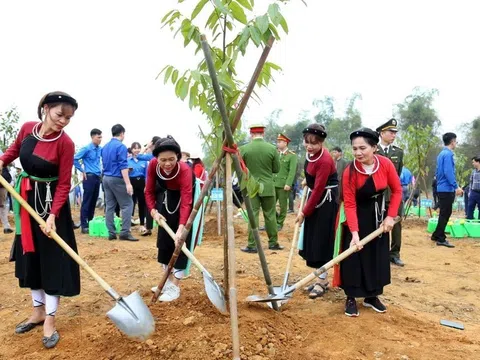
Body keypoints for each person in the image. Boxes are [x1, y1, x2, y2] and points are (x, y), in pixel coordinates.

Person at [0, 91, 81, 348]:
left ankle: (50, 319)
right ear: (46, 108)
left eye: (69, 117)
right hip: (26, 201)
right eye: (60, 114)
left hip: (51, 207)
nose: (64, 120)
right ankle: (37, 311)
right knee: (31, 257)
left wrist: (53, 216)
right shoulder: (27, 129)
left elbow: (65, 183)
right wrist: (1, 161)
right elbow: (13, 152)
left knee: (53, 260)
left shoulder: (65, 143)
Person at [340, 127, 402, 317]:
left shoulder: (385, 164)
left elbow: (397, 190)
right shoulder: (349, 171)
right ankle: (351, 296)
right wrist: (355, 234)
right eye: (354, 148)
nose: (358, 153)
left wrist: (390, 216)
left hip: (379, 218)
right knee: (353, 257)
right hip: (356, 217)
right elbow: (349, 204)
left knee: (377, 255)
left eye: (363, 148)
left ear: (374, 147)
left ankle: (372, 296)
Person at [145, 136, 195, 301]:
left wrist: (182, 227)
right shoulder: (153, 165)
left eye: (172, 159)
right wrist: (153, 211)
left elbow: (187, 201)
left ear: (178, 157)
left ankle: (175, 286)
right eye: (163, 160)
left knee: (180, 241)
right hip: (167, 198)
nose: (167, 163)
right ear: (156, 159)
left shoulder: (185, 171)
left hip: (185, 200)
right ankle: (166, 281)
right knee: (165, 240)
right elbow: (149, 191)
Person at [296, 124, 338, 298]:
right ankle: (319, 278)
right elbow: (312, 178)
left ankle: (322, 282)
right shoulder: (311, 155)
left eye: (314, 143)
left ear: (322, 142)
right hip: (316, 197)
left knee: (321, 241)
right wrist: (308, 181)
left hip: (326, 202)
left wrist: (303, 212)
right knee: (313, 240)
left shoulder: (325, 160)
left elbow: (320, 188)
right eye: (307, 142)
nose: (310, 146)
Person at [239, 125, 281, 253]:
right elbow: (276, 169)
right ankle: (273, 243)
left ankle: (252, 245)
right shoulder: (272, 149)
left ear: (251, 134)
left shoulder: (244, 149)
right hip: (268, 186)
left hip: (251, 186)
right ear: (263, 134)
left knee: (253, 214)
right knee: (270, 214)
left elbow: (241, 168)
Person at [376, 118, 404, 267]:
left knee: (396, 224)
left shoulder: (398, 152)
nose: (393, 135)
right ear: (382, 133)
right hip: (377, 194)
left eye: (395, 132)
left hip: (393, 195)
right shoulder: (373, 150)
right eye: (390, 132)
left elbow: (397, 175)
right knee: (377, 223)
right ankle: (379, 253)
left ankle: (394, 253)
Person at [101, 124, 137, 241]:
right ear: (122, 133)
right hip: (117, 178)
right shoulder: (121, 147)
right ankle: (125, 232)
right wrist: (128, 183)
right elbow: (123, 165)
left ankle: (111, 232)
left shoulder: (105, 147)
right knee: (127, 204)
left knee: (110, 206)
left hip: (106, 177)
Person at [431, 132, 463, 247]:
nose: (456, 144)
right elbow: (448, 172)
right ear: (452, 141)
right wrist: (456, 186)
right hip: (447, 189)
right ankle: (440, 238)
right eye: (456, 141)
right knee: (446, 213)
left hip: (441, 187)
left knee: (444, 212)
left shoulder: (441, 154)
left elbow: (438, 172)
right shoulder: (448, 154)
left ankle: (436, 234)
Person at [74, 128, 102, 234]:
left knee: (93, 201)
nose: (100, 139)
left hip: (97, 177)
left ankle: (91, 222)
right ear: (92, 137)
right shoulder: (86, 148)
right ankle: (84, 225)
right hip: (89, 177)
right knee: (87, 201)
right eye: (98, 137)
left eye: (101, 137)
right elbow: (75, 158)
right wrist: (82, 170)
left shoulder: (100, 149)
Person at [273, 134, 297, 231]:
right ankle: (273, 221)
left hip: (283, 185)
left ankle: (279, 223)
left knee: (283, 206)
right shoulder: (275, 153)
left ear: (285, 143)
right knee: (270, 205)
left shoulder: (292, 156)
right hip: (273, 183)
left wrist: (288, 183)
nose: (278, 144)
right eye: (277, 142)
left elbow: (292, 171)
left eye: (280, 142)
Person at [128, 142, 152, 236]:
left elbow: (147, 174)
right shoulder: (128, 160)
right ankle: (128, 224)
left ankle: (142, 224)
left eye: (138, 148)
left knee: (142, 204)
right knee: (130, 203)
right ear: (131, 149)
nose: (137, 150)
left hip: (141, 182)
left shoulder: (144, 161)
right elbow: (125, 172)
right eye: (134, 148)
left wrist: (146, 185)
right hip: (131, 182)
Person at [0, 150, 14, 234]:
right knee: (2, 205)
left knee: (3, 205)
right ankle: (6, 227)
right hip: (2, 183)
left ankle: (6, 226)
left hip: (2, 183)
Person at [466, 155, 480, 220]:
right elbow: (471, 182)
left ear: (478, 162)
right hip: (473, 192)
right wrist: (470, 192)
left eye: (473, 162)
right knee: (470, 207)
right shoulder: (473, 171)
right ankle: (469, 220)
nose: (473, 163)